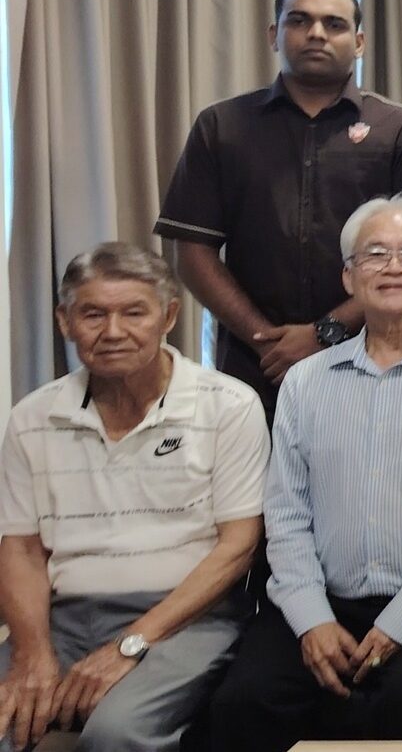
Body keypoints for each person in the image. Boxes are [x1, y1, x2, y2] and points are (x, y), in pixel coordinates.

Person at [207, 195, 402, 750]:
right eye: (374, 255)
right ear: (349, 279)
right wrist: (309, 619)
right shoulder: (306, 381)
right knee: (243, 703)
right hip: (323, 598)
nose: (393, 267)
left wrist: (400, 621)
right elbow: (286, 510)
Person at [155, 0, 402, 412]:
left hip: (379, 355)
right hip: (254, 365)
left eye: (334, 24)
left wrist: (324, 333)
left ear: (358, 43)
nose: (316, 33)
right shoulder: (221, 126)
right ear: (274, 35)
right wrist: (266, 341)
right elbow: (192, 251)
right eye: (299, 21)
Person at [0, 244, 267, 751]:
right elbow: (21, 548)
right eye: (93, 314)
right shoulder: (33, 417)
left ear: (168, 315)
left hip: (186, 619)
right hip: (64, 617)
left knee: (116, 734)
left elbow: (239, 546)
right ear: (64, 321)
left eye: (134, 312)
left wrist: (133, 642)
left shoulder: (227, 406)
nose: (114, 331)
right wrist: (31, 654)